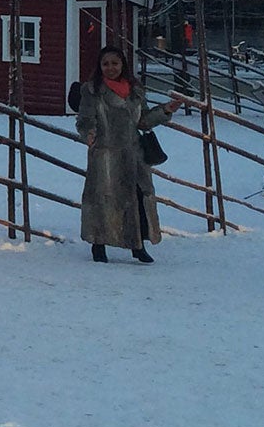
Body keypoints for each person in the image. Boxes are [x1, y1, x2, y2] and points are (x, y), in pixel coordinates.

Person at [73, 44, 183, 263]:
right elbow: (84, 121)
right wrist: (89, 134)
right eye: (106, 64)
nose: (110, 68)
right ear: (100, 66)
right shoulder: (92, 90)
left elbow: (142, 121)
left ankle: (137, 245)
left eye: (115, 63)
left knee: (138, 199)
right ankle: (99, 244)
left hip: (134, 154)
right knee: (104, 200)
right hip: (106, 155)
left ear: (123, 64)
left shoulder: (135, 90)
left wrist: (165, 111)